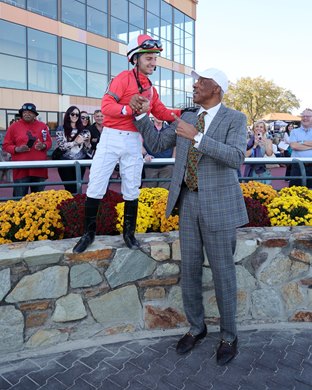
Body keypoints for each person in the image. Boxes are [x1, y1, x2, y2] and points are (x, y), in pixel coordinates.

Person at [133, 68, 248, 366]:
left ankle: (229, 336)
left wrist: (197, 138)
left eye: (202, 81)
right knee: (190, 271)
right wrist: (143, 116)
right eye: (196, 81)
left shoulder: (234, 119)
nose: (195, 85)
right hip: (188, 202)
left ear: (217, 89)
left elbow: (236, 157)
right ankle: (197, 328)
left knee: (223, 273)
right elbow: (158, 145)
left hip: (219, 205)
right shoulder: (186, 116)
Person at [73, 33, 181, 253]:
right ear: (135, 58)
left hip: (133, 140)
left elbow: (160, 111)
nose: (153, 62)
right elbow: (106, 106)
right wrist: (129, 109)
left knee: (132, 188)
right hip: (111, 138)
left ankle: (129, 235)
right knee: (96, 185)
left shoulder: (151, 88)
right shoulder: (122, 78)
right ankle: (88, 234)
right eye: (148, 57)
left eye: (154, 58)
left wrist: (183, 114)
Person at [3, 103, 52, 197]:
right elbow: (6, 145)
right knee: (19, 200)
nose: (27, 114)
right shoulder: (13, 127)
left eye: (30, 112)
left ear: (35, 114)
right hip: (21, 170)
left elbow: (49, 142)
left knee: (39, 200)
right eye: (24, 112)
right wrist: (17, 149)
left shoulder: (43, 126)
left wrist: (43, 146)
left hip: (39, 169)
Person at [55, 106, 93, 194]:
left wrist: (88, 143)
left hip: (79, 163)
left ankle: (76, 206)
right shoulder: (61, 129)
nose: (75, 116)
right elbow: (62, 146)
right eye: (73, 114)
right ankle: (70, 206)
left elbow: (88, 150)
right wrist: (75, 142)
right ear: (68, 115)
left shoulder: (84, 130)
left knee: (78, 187)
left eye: (77, 114)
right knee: (69, 188)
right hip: (65, 163)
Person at [142, 117, 175, 189]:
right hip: (150, 165)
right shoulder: (147, 129)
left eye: (161, 115)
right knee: (150, 191)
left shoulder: (170, 129)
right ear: (153, 116)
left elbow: (175, 145)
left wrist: (172, 160)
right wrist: (146, 155)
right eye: (157, 115)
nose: (159, 117)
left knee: (164, 192)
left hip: (167, 166)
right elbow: (139, 144)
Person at [289, 108, 312, 188]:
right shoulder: (294, 132)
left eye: (308, 116)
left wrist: (301, 142)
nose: (305, 118)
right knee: (294, 191)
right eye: (303, 116)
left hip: (311, 166)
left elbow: (296, 145)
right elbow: (293, 146)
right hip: (297, 166)